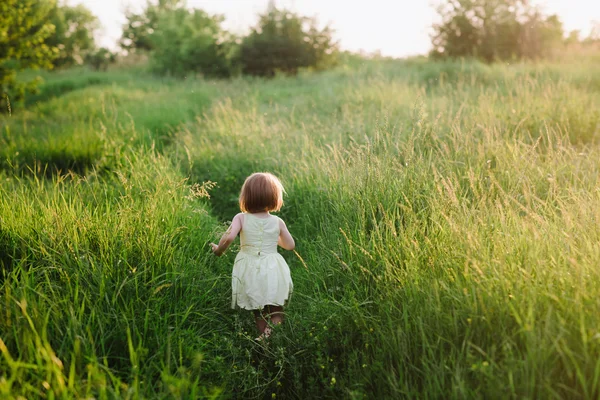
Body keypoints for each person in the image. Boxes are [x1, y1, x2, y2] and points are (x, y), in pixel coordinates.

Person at [210, 172, 295, 341]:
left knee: (258, 309)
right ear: (274, 197)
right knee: (276, 311)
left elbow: (228, 238)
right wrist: (272, 239)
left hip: (249, 268)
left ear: (246, 196)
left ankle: (261, 337)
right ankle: (267, 337)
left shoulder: (241, 218)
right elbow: (290, 245)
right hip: (272, 268)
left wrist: (218, 250)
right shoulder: (277, 222)